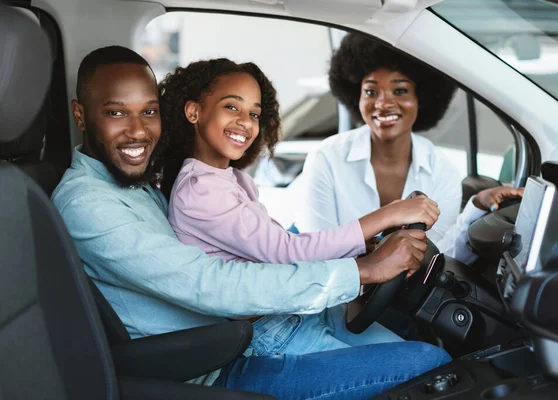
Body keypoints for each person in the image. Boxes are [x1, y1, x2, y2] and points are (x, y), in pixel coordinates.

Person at [52, 45, 450, 399]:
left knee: (422, 346)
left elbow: (261, 245)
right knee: (429, 364)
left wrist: (358, 259)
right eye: (116, 112)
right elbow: (211, 283)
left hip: (237, 338)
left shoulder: (134, 184)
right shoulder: (88, 204)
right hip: (215, 366)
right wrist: (361, 271)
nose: (138, 129)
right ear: (80, 115)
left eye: (149, 111)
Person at [295, 33, 523, 265]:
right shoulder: (327, 158)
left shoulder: (441, 170)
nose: (383, 104)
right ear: (356, 96)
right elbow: (316, 253)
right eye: (371, 92)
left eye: (400, 91)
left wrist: (477, 206)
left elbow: (441, 257)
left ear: (421, 98)